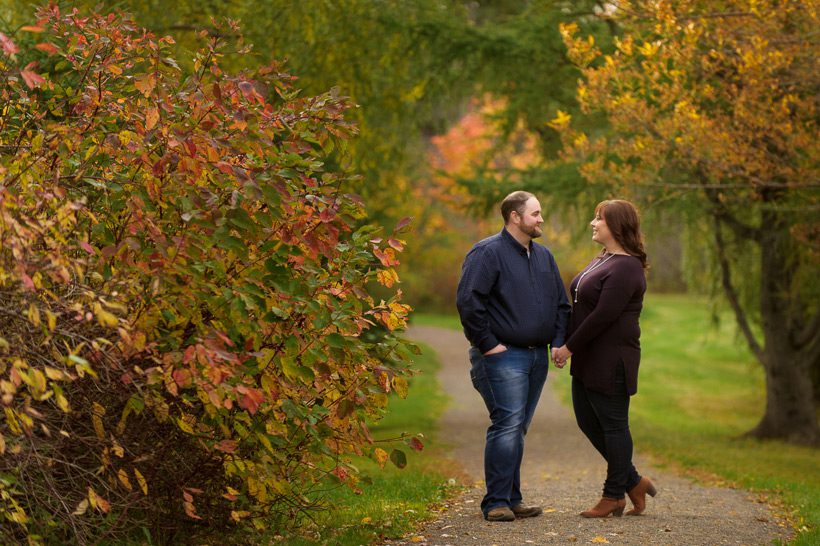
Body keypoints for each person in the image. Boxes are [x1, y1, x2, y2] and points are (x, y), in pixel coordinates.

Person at [456, 190, 571, 522]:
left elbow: (561, 306)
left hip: (536, 358)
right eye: (535, 213)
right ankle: (496, 503)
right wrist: (489, 344)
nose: (541, 219)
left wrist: (558, 342)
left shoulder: (544, 256)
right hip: (501, 357)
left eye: (540, 212)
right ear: (515, 217)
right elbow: (468, 302)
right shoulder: (487, 253)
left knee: (516, 427)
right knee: (507, 424)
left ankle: (512, 498)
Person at [552, 199, 657, 518]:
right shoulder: (605, 258)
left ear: (616, 226)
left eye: (599, 218)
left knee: (613, 426)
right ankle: (634, 481)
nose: (593, 223)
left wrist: (568, 347)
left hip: (611, 360)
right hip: (589, 357)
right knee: (587, 421)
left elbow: (603, 316)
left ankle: (614, 494)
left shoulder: (627, 267)